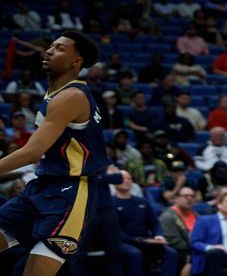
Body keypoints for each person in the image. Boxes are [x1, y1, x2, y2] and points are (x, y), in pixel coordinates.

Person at [0, 30, 109, 276]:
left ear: (76, 61)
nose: (49, 51)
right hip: (42, 187)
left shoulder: (71, 96)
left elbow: (32, 152)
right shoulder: (54, 93)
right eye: (51, 46)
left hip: (70, 194)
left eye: (60, 48)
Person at [113, 170, 179, 276]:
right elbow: (114, 230)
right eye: (122, 178)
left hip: (145, 241)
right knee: (135, 254)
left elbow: (154, 223)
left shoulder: (142, 201)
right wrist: (135, 240)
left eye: (129, 178)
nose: (126, 181)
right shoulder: (111, 203)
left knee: (170, 253)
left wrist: (158, 235)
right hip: (124, 242)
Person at [160, 185, 199, 276]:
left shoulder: (196, 215)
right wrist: (196, 247)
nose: (189, 199)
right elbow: (172, 240)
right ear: (176, 198)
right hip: (180, 251)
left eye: (192, 196)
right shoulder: (168, 217)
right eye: (185, 196)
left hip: (195, 248)